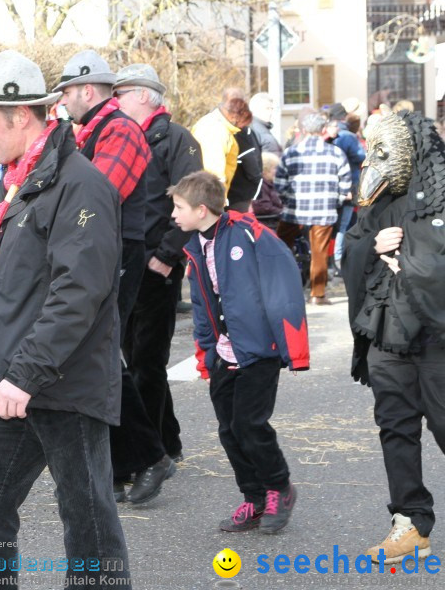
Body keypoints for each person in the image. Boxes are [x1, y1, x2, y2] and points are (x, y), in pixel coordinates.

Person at [0, 50, 130, 588]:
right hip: (24, 381)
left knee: (88, 520)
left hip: (60, 381)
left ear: (22, 115)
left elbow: (80, 292)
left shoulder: (79, 184)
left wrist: (24, 374)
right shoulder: (29, 177)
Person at [56, 53, 174, 505]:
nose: (62, 101)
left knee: (101, 356)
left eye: (66, 92)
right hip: (104, 250)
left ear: (87, 90)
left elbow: (97, 196)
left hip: (115, 250)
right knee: (98, 357)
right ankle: (125, 463)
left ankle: (147, 457)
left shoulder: (119, 129)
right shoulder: (90, 131)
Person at [172, 170, 309, 535]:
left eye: (179, 207)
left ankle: (280, 487)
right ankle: (255, 497)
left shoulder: (251, 234)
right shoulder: (196, 247)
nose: (174, 214)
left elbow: (283, 286)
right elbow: (202, 306)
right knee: (230, 430)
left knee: (250, 425)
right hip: (224, 354)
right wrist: (206, 354)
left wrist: (292, 348)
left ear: (201, 209)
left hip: (259, 350)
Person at [341, 108, 445, 564]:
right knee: (395, 428)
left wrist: (414, 260)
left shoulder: (440, 192)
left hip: (438, 337)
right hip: (387, 333)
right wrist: (373, 244)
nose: (374, 161)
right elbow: (354, 244)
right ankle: (411, 523)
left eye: (385, 151)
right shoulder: (379, 199)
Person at [114, 63, 203, 465]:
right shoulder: (123, 138)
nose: (115, 100)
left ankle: (147, 454)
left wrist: (166, 257)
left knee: (146, 362)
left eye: (122, 92)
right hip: (127, 263)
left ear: (145, 95)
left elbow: (194, 202)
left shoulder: (178, 139)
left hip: (155, 266)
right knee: (135, 358)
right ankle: (167, 440)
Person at [274, 111, 352, 305]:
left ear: (302, 130)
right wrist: (338, 200)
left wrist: (287, 200)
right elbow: (345, 183)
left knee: (282, 248)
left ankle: (279, 289)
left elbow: (279, 183)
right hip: (324, 210)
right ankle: (317, 295)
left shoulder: (291, 152)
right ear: (323, 130)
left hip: (294, 210)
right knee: (320, 252)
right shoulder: (335, 152)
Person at [191, 89, 253, 198]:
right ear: (234, 116)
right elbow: (213, 173)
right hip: (208, 197)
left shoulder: (221, 127)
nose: (243, 127)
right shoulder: (215, 130)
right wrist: (217, 203)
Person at [327, 105, 366, 273]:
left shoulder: (327, 137)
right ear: (343, 118)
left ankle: (332, 261)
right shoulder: (349, 137)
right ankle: (339, 262)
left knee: (333, 226)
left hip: (330, 188)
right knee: (344, 226)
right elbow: (362, 157)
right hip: (349, 186)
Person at [251, 152, 284, 230]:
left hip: (274, 221)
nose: (278, 171)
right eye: (275, 168)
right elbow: (263, 207)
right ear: (266, 169)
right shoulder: (261, 185)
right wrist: (283, 212)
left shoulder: (271, 183)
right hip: (268, 224)